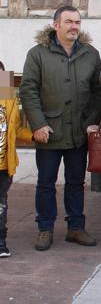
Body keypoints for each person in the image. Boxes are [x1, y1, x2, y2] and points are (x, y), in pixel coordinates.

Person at [21, 5, 101, 251]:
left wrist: (90, 121)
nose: (74, 27)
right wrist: (38, 123)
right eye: (69, 22)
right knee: (46, 183)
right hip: (49, 132)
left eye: (77, 22)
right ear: (55, 25)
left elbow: (99, 92)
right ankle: (45, 228)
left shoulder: (91, 54)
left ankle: (76, 227)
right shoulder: (37, 54)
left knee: (76, 182)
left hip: (78, 132)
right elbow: (28, 90)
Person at [0, 61, 34, 257]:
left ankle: (1, 242)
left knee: (1, 203)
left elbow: (17, 130)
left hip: (4, 164)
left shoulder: (9, 99)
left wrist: (33, 135)